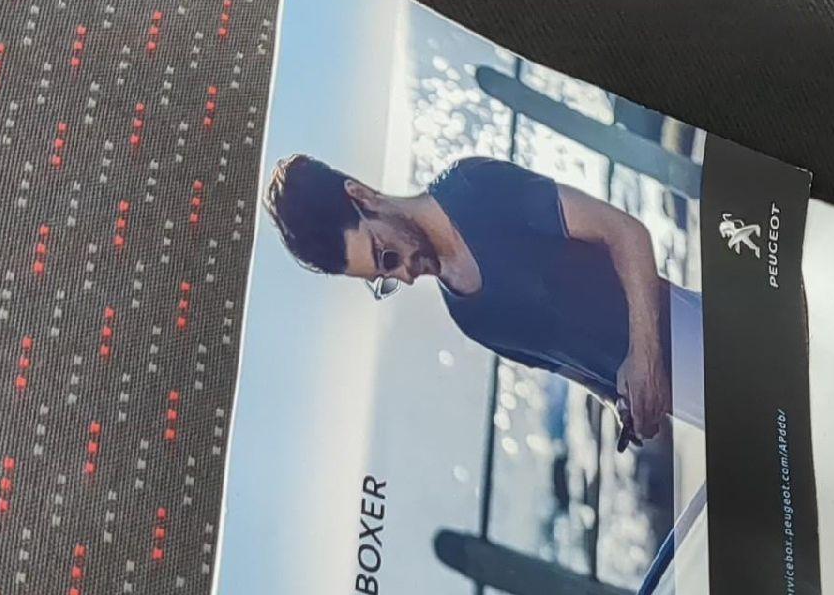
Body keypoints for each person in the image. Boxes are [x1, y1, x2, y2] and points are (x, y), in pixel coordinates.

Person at [262, 153, 700, 439]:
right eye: (385, 277)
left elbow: (624, 232)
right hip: (689, 402)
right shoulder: (467, 316)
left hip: (699, 335)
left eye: (386, 255)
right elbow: (572, 366)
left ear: (363, 196)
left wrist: (645, 356)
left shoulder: (474, 189)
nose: (405, 275)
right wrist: (622, 403)